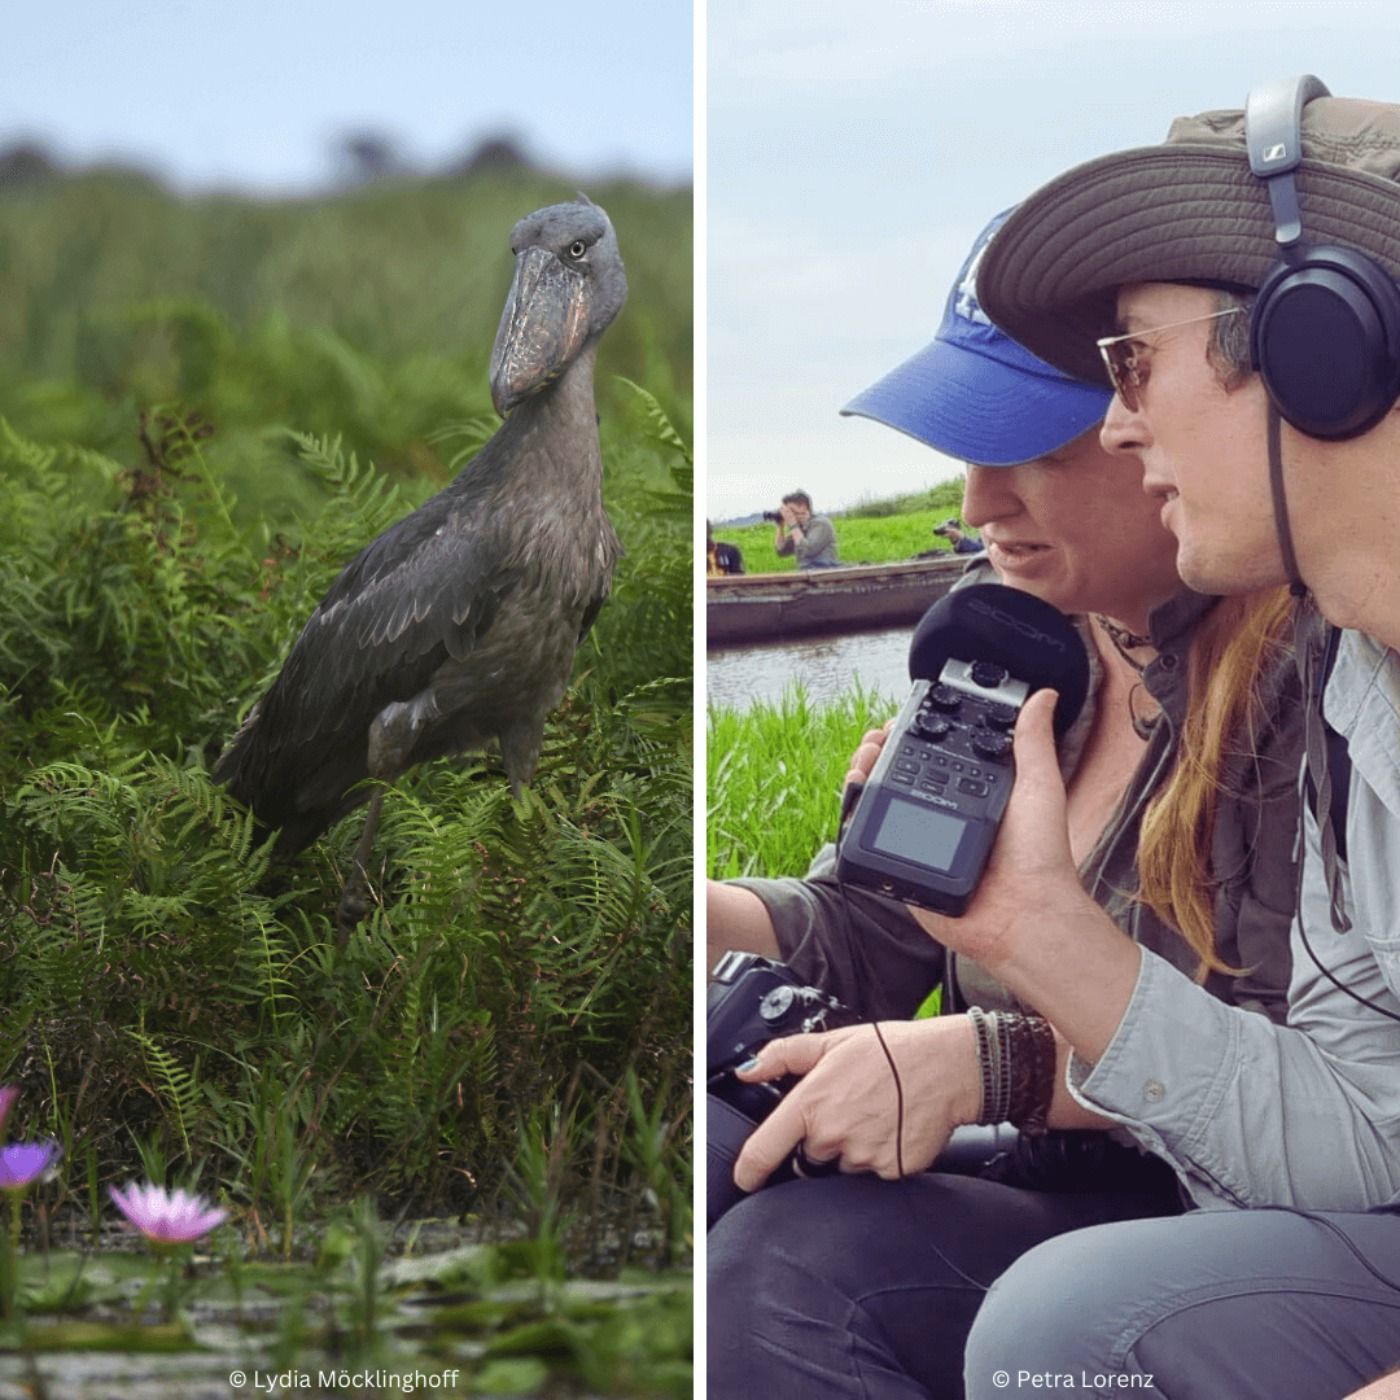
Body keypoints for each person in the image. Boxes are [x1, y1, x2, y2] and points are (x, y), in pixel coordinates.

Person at [707, 211, 1304, 1397]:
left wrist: (990, 1060)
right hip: (1043, 1171)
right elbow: (881, 929)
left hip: (1223, 1209)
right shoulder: (1006, 638)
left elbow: (1310, 1074)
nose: (977, 502)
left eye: (1025, 449)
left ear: (1152, 424)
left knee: (789, 1270)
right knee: (719, 1138)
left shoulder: (1296, 682)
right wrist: (698, 912)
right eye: (960, 449)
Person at [935, 80, 1400, 1397]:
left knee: (1068, 1328)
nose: (1119, 417)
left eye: (1132, 361)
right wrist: (1035, 928)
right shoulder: (1359, 688)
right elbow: (1377, 1133)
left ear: (1324, 347)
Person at [773, 490, 840, 568]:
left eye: (790, 511)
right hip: (808, 573)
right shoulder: (800, 528)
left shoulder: (821, 524)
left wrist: (793, 525)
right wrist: (780, 526)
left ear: (803, 508)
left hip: (825, 572)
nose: (788, 515)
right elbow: (782, 551)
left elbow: (807, 551)